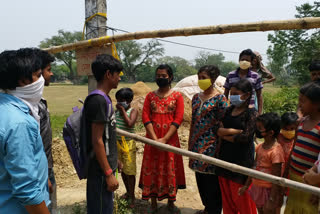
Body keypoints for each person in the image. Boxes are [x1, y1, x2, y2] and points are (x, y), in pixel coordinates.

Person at [0, 49, 50, 213]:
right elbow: (27, 191)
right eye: (38, 75)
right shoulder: (20, 123)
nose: (41, 80)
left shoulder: (5, 109)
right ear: (22, 80)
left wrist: (43, 180)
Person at [139, 64, 186, 214]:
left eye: (164, 76)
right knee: (152, 169)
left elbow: (178, 119)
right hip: (152, 140)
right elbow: (145, 117)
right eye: (158, 75)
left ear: (170, 77)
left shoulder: (177, 96)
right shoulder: (150, 96)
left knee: (170, 169)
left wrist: (164, 139)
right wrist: (154, 139)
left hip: (170, 140)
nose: (160, 78)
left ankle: (171, 203)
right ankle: (153, 203)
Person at [84, 54, 122, 214]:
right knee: (100, 209)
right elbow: (97, 140)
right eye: (117, 75)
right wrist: (108, 173)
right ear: (108, 74)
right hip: (100, 171)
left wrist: (115, 159)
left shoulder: (105, 99)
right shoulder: (98, 100)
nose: (119, 79)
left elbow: (108, 134)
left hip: (105, 166)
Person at [188, 65, 228, 214]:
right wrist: (190, 144)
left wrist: (220, 148)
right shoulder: (195, 98)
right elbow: (193, 121)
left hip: (212, 145)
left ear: (213, 79)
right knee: (200, 177)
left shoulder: (220, 99)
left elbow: (223, 123)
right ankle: (207, 208)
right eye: (199, 77)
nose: (201, 80)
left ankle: (214, 210)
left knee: (211, 181)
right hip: (196, 143)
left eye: (204, 78)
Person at [216, 79, 258, 214]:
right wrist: (235, 132)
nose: (232, 96)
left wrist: (224, 134)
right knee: (227, 200)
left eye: (236, 93)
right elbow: (216, 130)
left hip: (241, 163)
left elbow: (246, 138)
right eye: (231, 93)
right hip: (224, 159)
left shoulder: (251, 114)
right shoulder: (227, 111)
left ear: (246, 95)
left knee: (242, 200)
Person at [285, 81, 320, 214]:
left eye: (303, 101)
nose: (299, 104)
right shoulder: (300, 123)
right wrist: (286, 174)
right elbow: (293, 150)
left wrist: (317, 189)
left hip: (311, 182)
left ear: (316, 104)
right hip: (294, 177)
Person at [239, 113, 284, 214]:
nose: (257, 130)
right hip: (258, 188)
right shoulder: (260, 147)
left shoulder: (276, 152)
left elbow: (276, 178)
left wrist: (271, 200)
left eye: (260, 128)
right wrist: (246, 185)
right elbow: (254, 167)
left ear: (271, 132)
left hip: (268, 191)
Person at [36, 49, 57, 214]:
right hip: (42, 171)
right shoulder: (32, 107)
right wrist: (43, 176)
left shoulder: (40, 102)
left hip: (46, 168)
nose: (51, 73)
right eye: (48, 70)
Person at [115, 87, 138, 208]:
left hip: (128, 144)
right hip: (117, 143)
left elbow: (130, 123)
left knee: (130, 171)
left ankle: (133, 196)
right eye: (117, 100)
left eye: (121, 100)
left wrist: (123, 111)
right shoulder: (116, 112)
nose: (119, 103)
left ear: (128, 101)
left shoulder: (133, 111)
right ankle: (128, 192)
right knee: (122, 169)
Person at [224, 49, 263, 114]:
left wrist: (259, 113)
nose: (244, 62)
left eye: (247, 60)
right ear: (239, 60)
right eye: (242, 59)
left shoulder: (256, 76)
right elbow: (225, 94)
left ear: (251, 62)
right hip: (233, 110)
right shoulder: (231, 75)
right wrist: (225, 109)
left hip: (249, 111)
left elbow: (259, 96)